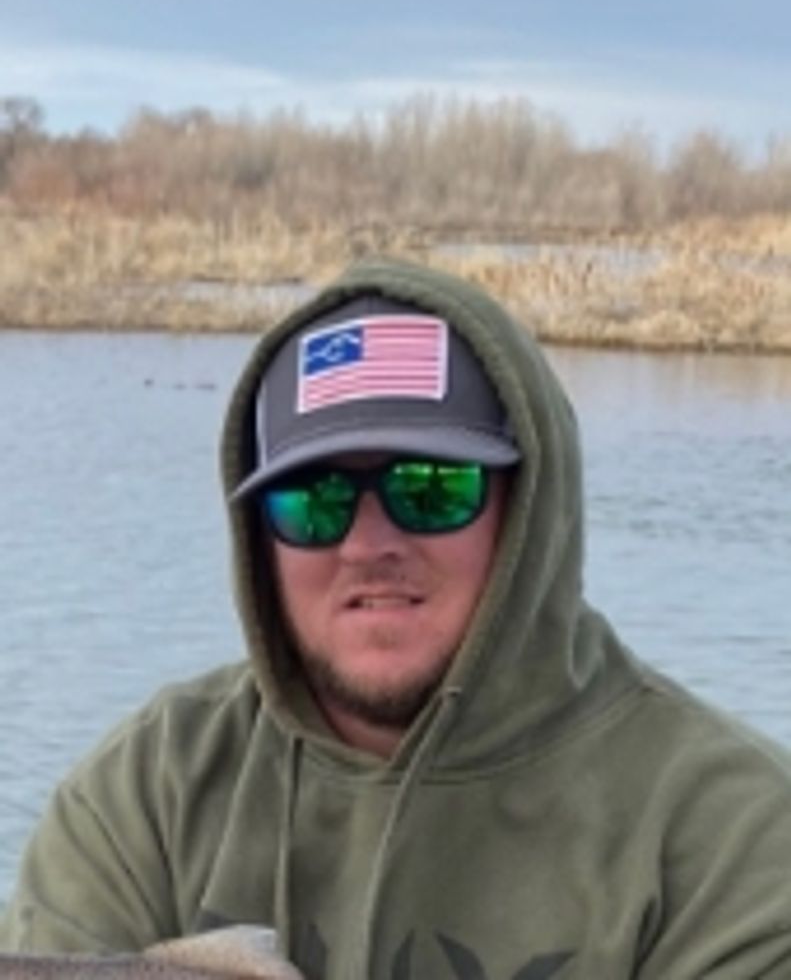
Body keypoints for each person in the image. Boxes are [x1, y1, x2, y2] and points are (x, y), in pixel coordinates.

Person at [2, 257, 791, 979]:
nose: (367, 545)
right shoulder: (146, 794)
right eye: (312, 501)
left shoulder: (734, 835)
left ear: (527, 513)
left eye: (431, 489)